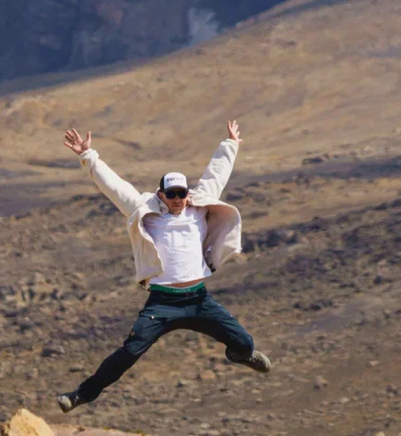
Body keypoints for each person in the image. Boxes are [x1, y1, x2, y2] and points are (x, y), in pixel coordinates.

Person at [56, 121, 270, 413]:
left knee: (245, 344)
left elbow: (216, 175)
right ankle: (81, 394)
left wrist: (230, 144)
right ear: (161, 194)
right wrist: (88, 155)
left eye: (182, 193)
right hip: (162, 303)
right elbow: (114, 186)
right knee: (129, 352)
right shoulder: (143, 208)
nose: (178, 200)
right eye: (172, 195)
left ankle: (241, 355)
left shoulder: (198, 206)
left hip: (198, 299)